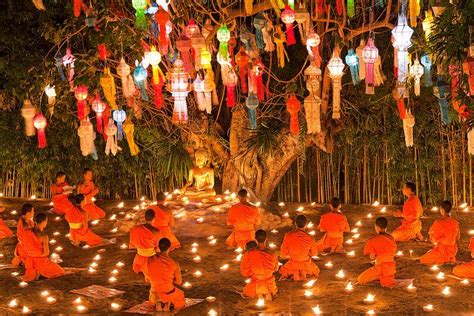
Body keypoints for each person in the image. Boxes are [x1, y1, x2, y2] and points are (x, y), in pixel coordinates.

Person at [142, 238, 185, 312]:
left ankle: (158, 302)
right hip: (169, 292)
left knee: (155, 295)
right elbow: (179, 282)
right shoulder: (174, 263)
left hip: (155, 293)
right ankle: (167, 304)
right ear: (170, 248)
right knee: (180, 299)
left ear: (158, 247)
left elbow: (147, 280)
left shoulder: (148, 260)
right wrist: (169, 280)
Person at [22, 213, 65, 282]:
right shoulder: (43, 236)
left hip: (30, 261)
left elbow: (23, 244)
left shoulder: (26, 232)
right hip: (41, 261)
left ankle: (36, 272)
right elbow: (46, 253)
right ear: (45, 222)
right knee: (60, 271)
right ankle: (40, 272)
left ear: (35, 221)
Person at [357, 217, 397, 288]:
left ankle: (379, 277)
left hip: (379, 267)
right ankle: (383, 277)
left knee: (360, 279)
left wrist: (375, 259)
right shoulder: (392, 238)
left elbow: (371, 257)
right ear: (386, 227)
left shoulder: (372, 240)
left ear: (376, 226)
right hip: (390, 268)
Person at [240, 229, 278, 301]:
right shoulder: (272, 253)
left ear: (255, 239)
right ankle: (267, 291)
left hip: (256, 282)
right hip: (270, 283)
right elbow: (275, 269)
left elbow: (244, 271)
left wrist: (254, 272)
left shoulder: (249, 253)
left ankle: (260, 292)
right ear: (266, 239)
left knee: (248, 292)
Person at [280, 215, 319, 281]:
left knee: (285, 271)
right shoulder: (310, 238)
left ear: (295, 224)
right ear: (306, 225)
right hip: (306, 264)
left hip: (292, 263)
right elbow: (314, 254)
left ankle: (294, 274)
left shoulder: (288, 235)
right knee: (314, 271)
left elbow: (283, 254)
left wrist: (291, 253)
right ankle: (302, 273)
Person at [420, 201, 460, 265]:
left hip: (442, 251)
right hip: (452, 251)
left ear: (442, 209)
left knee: (423, 259)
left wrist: (435, 240)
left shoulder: (438, 222)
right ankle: (449, 258)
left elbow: (433, 238)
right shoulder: (455, 222)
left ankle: (443, 259)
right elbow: (457, 238)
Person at [129, 209, 162, 274]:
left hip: (139, 259)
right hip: (151, 259)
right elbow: (158, 249)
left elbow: (132, 245)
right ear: (154, 218)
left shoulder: (135, 229)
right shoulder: (156, 231)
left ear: (144, 217)